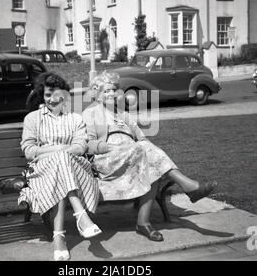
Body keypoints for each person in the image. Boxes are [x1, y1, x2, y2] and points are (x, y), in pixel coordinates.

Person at [82, 70, 217, 242]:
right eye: (105, 90)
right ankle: (188, 186)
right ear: (97, 93)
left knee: (149, 158)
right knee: (144, 151)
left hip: (134, 155)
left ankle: (143, 222)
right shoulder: (90, 113)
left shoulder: (123, 115)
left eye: (113, 90)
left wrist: (133, 147)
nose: (110, 93)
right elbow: (89, 144)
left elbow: (142, 138)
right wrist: (112, 147)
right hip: (108, 159)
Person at [20, 72, 101, 261]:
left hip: (77, 169)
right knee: (60, 160)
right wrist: (61, 149)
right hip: (42, 172)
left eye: (56, 95)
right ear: (42, 95)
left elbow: (80, 147)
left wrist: (53, 151)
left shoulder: (75, 119)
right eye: (47, 95)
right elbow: (29, 151)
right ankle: (81, 215)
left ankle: (59, 238)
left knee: (62, 162)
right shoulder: (32, 118)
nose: (52, 99)